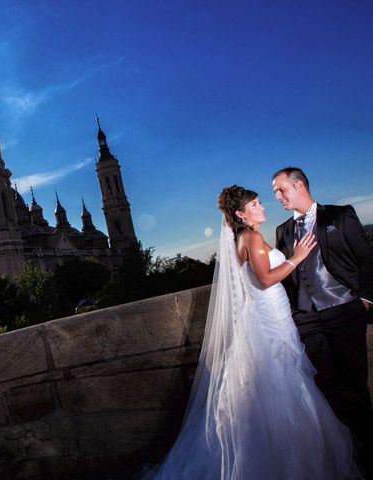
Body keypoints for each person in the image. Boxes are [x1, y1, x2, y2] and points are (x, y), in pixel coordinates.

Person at [142, 185, 361, 480]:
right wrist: (295, 258)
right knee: (280, 382)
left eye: (259, 202)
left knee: (282, 381)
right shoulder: (252, 236)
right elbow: (267, 278)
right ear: (240, 214)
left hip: (271, 314)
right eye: (255, 204)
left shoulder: (245, 237)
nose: (262, 207)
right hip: (268, 318)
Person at [272, 167, 373, 474]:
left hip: (344, 309)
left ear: (299, 184)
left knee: (355, 382)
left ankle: (364, 452)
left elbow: (367, 260)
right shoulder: (283, 232)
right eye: (275, 192)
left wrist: (366, 301)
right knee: (324, 382)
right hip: (306, 319)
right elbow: (287, 275)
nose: (276, 196)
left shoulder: (340, 216)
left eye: (280, 189)